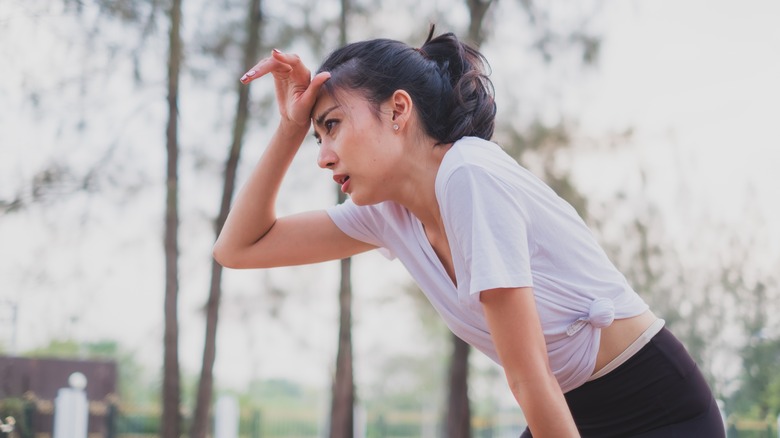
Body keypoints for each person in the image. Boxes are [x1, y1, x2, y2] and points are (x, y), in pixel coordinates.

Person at [214, 26, 726, 437]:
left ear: (398, 110)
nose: (323, 156)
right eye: (316, 134)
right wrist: (289, 127)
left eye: (331, 125)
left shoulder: (469, 175)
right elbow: (238, 248)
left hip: (657, 409)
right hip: (570, 406)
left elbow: (528, 377)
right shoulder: (389, 213)